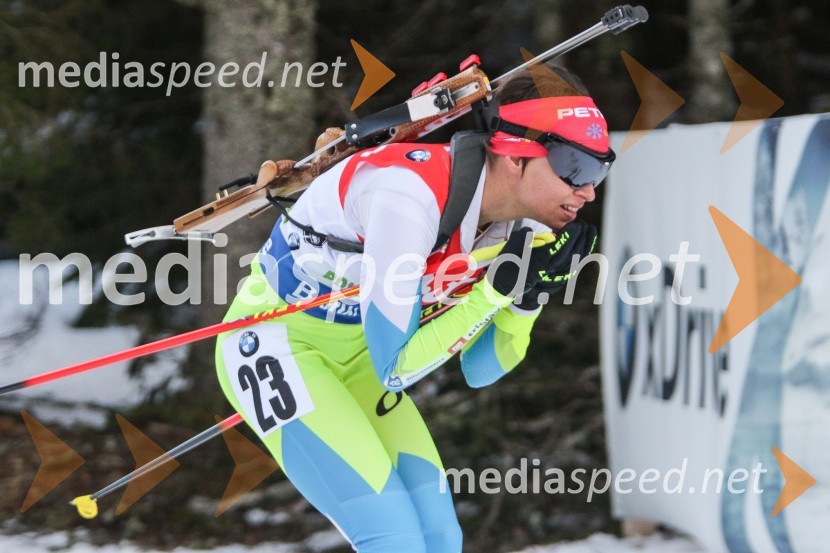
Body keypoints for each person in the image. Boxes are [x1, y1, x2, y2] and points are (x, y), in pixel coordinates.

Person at [214, 64, 614, 553]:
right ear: (514, 155)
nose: (588, 190)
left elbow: (480, 369)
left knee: (440, 538)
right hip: (277, 343)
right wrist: (492, 295)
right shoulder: (408, 195)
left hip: (358, 355)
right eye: (576, 167)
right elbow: (396, 368)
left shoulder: (522, 227)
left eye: (600, 168)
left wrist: (526, 301)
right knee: (394, 539)